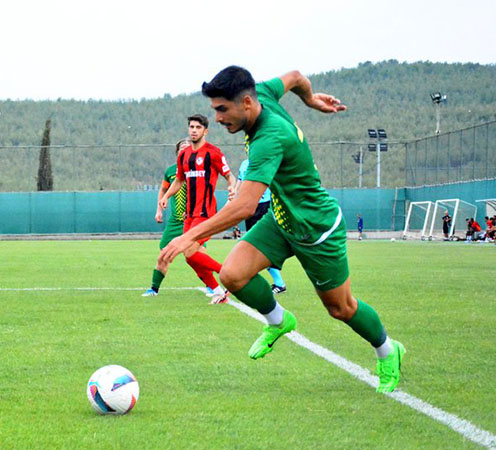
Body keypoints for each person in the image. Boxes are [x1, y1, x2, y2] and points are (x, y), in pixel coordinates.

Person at [160, 66, 405, 393]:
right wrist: (311, 99)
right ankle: (279, 321)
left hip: (315, 229)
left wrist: (188, 235)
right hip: (282, 219)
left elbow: (244, 206)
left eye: (222, 109)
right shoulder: (263, 93)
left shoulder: (268, 138)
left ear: (246, 103)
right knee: (232, 275)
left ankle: (389, 351)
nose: (216, 119)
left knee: (341, 308)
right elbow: (295, 76)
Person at [159, 114, 237, 304]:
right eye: (191, 127)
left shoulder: (213, 153)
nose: (194, 130)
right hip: (189, 215)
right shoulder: (184, 156)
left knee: (190, 251)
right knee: (190, 257)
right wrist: (166, 196)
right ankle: (219, 292)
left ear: (205, 131)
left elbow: (230, 176)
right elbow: (179, 180)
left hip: (206, 213)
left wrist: (232, 188)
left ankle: (231, 276)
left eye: (198, 127)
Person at [143, 138, 215, 298]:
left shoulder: (200, 168)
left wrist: (193, 210)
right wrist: (159, 210)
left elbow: (205, 191)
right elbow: (163, 190)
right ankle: (154, 289)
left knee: (198, 254)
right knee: (164, 254)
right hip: (176, 221)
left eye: (188, 147)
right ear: (177, 152)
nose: (185, 150)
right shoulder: (171, 171)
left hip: (195, 220)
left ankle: (212, 287)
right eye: (182, 148)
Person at [234, 158, 287, 293]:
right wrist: (235, 197)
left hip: (265, 205)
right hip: (249, 206)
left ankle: (279, 283)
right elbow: (240, 183)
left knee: (260, 246)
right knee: (252, 245)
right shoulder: (244, 164)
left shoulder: (265, 160)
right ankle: (274, 282)